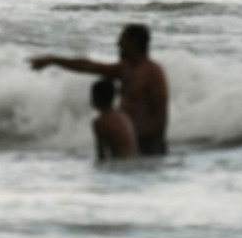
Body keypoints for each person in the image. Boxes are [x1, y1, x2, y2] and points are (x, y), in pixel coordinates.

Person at [30, 23, 169, 155]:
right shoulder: (125, 69)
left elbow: (161, 113)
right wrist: (53, 60)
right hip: (128, 140)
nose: (118, 44)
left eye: (122, 40)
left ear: (134, 42)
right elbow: (89, 66)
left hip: (148, 144)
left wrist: (155, 146)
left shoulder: (153, 72)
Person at [90, 79, 137, 160]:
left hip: (119, 164)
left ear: (97, 98)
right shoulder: (122, 115)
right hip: (133, 161)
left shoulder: (100, 122)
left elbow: (101, 155)